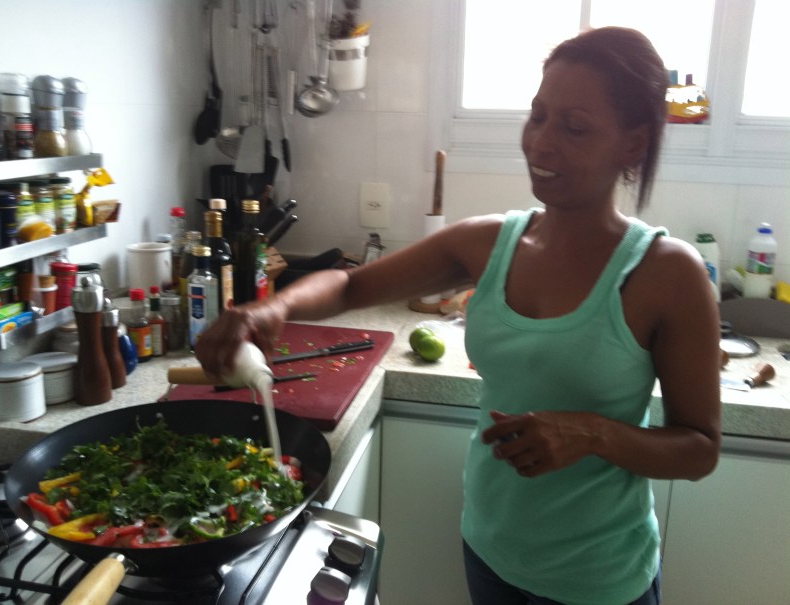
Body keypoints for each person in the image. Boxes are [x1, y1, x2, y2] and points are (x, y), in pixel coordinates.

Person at [195, 26, 720, 605]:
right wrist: (273, 307)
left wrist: (593, 434)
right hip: (489, 552)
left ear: (633, 144)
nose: (541, 143)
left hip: (599, 580)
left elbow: (699, 448)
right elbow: (350, 284)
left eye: (574, 127)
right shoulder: (490, 243)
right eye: (538, 116)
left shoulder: (666, 273)